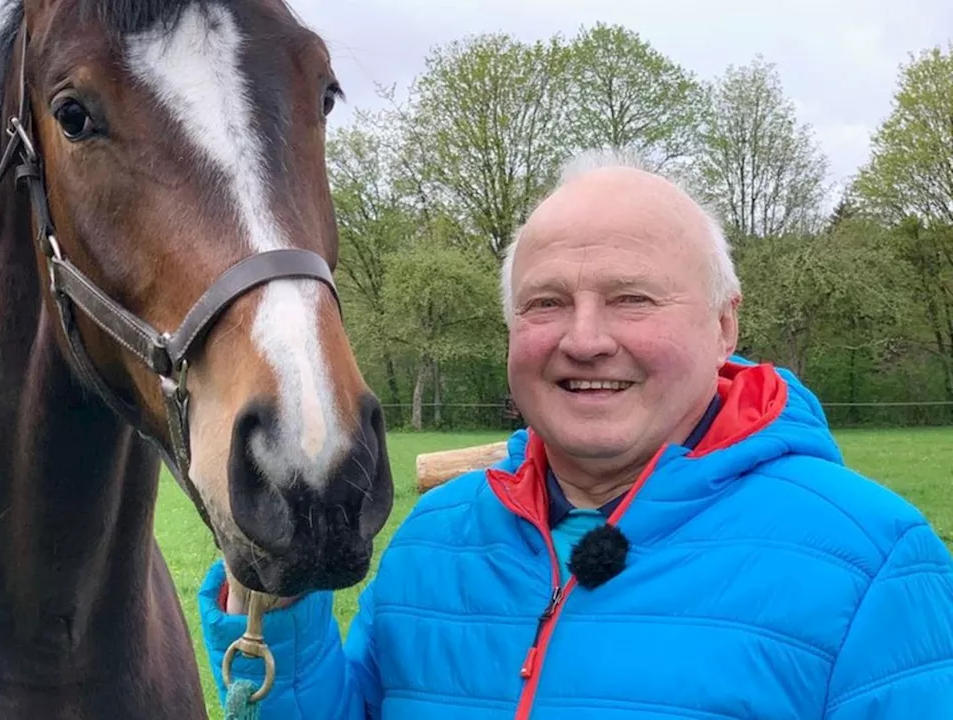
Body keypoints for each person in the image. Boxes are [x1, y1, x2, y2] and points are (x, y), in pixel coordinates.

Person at [195, 148, 953, 719]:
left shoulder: (874, 564)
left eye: (631, 299)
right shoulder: (437, 540)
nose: (585, 339)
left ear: (725, 324)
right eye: (547, 303)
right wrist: (275, 598)